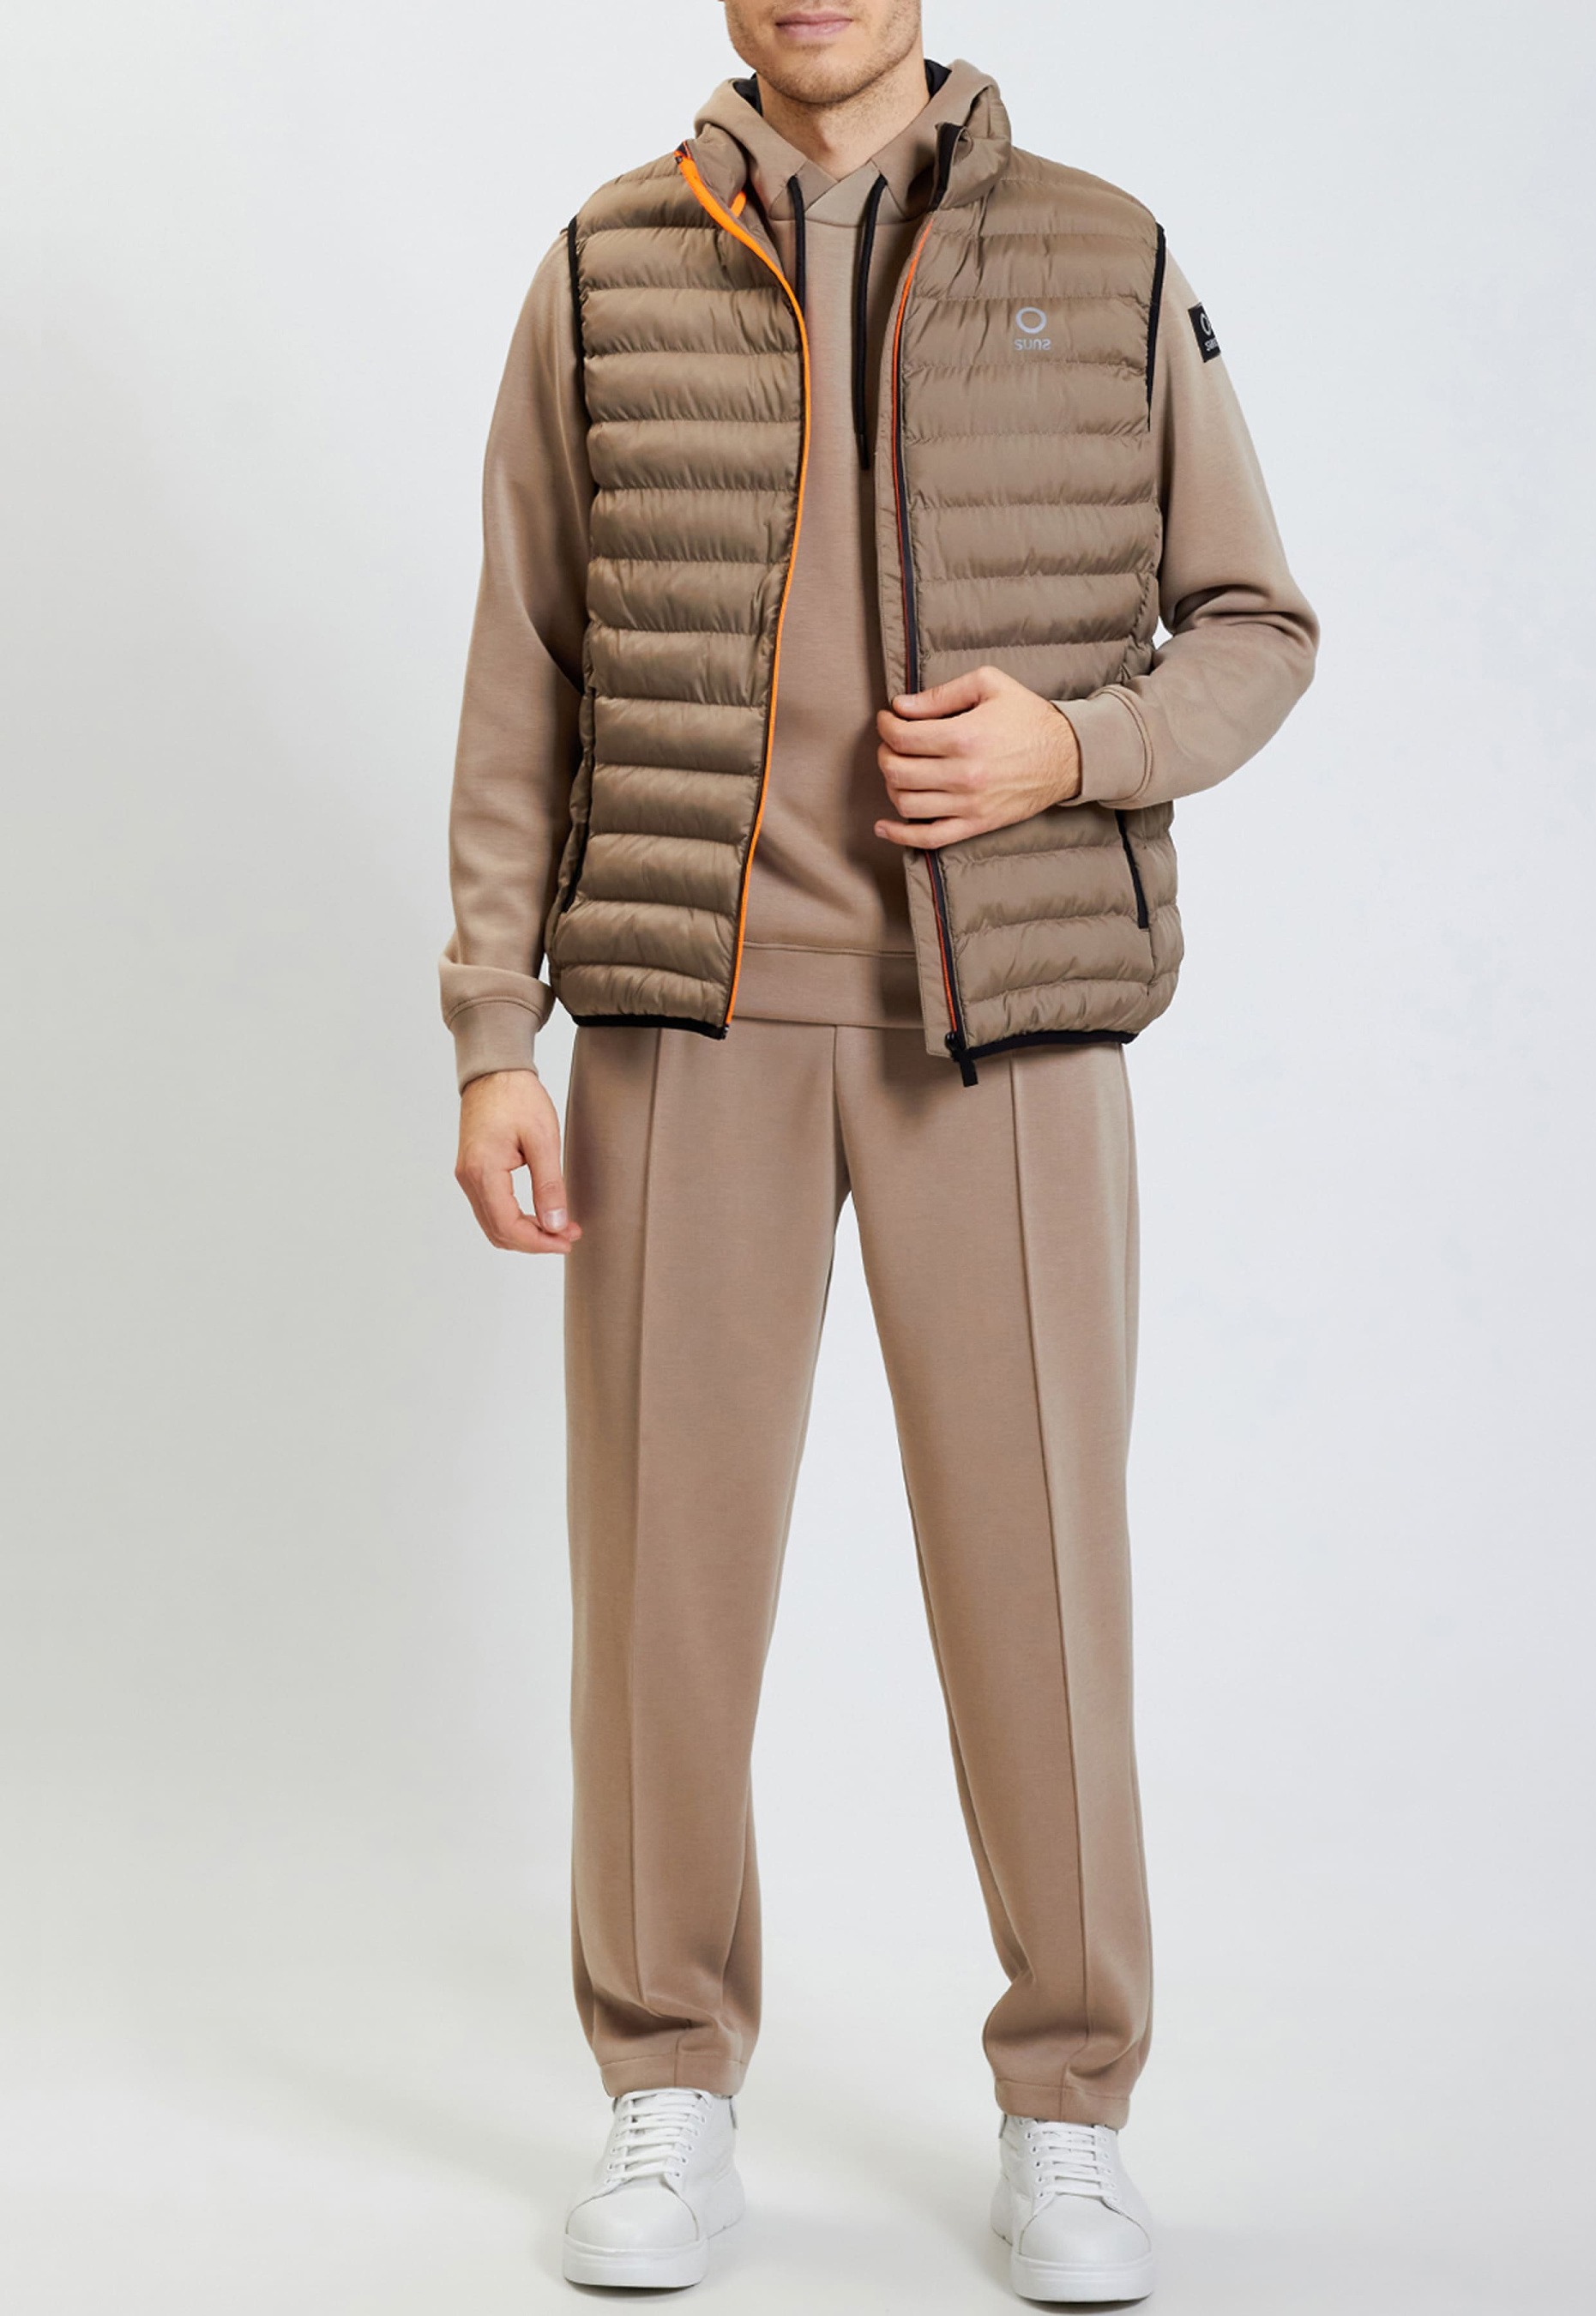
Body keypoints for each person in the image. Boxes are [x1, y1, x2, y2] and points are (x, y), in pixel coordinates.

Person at [442, 1, 1316, 2298]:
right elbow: (524, 669)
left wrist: (1075, 746)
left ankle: (1071, 2110)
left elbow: (1256, 625)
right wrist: (489, 1030)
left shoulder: (1108, 254)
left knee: (1041, 1586)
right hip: (681, 1024)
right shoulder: (604, 265)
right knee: (663, 1586)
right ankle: (664, 2084)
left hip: (1001, 1026)